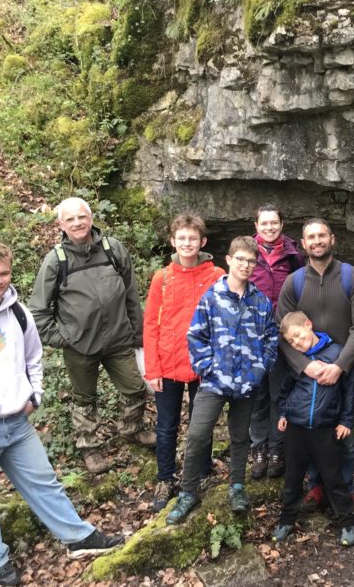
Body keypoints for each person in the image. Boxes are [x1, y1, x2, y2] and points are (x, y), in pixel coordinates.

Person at [0, 242, 122, 586]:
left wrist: (35, 394)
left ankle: (77, 537)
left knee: (44, 483)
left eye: (3, 273)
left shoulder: (20, 313)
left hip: (17, 422)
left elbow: (34, 358)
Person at [27, 197, 154, 474]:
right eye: (70, 219)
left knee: (135, 388)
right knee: (85, 399)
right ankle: (89, 446)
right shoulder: (55, 261)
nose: (77, 223)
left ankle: (131, 429)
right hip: (80, 347)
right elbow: (37, 311)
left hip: (119, 340)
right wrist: (64, 338)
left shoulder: (113, 250)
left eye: (81, 217)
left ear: (91, 218)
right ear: (61, 224)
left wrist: (138, 334)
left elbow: (131, 295)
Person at [167, 236, 278, 524]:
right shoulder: (212, 297)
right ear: (228, 260)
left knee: (241, 437)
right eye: (240, 259)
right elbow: (196, 336)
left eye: (251, 261)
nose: (245, 265)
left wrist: (259, 369)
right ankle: (188, 492)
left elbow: (271, 339)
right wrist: (208, 367)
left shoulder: (261, 302)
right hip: (214, 383)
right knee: (197, 435)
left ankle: (237, 486)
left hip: (247, 385)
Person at [276, 218, 354, 511]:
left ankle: (345, 492)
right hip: (308, 375)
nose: (316, 241)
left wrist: (339, 366)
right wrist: (305, 366)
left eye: (321, 236)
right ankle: (317, 489)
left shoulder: (351, 277)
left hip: (343, 370)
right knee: (311, 434)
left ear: (332, 239)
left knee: (344, 437)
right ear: (303, 245)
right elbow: (281, 330)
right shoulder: (295, 282)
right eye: (310, 237)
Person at [143, 214, 226, 511]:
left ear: (202, 241)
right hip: (168, 363)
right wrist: (151, 368)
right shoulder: (162, 278)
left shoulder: (216, 275)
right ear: (173, 242)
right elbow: (151, 324)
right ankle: (165, 478)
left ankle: (203, 471)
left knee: (201, 424)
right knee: (166, 426)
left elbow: (224, 320)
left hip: (203, 365)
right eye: (182, 239)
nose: (187, 244)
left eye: (192, 238)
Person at [272, 311, 354, 547]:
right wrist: (283, 412)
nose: (297, 343)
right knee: (293, 476)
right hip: (296, 426)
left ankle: (348, 522)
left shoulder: (336, 352)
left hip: (325, 427)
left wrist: (346, 421)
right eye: (292, 342)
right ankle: (286, 519)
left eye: (299, 336)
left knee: (333, 477)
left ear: (308, 325)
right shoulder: (296, 360)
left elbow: (349, 390)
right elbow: (286, 388)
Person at [248, 203, 303, 480]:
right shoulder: (247, 254)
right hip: (254, 337)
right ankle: (257, 448)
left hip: (283, 337)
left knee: (278, 393)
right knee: (258, 396)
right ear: (256, 226)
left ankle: (276, 449)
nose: (269, 227)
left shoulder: (294, 256)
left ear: (282, 225)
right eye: (264, 223)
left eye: (274, 223)